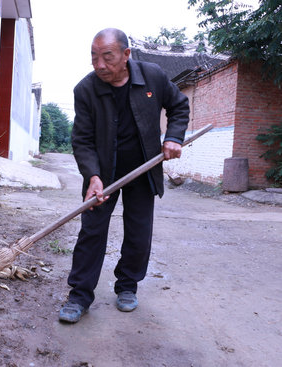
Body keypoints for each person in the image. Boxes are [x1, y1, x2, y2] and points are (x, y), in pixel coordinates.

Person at [59, 28, 190, 323]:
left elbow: (179, 105)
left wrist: (174, 137)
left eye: (107, 57)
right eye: (94, 57)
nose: (99, 65)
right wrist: (92, 176)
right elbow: (82, 139)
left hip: (143, 167)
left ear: (126, 55)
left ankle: (127, 286)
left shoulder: (152, 77)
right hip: (102, 173)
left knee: (138, 232)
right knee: (92, 231)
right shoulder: (86, 90)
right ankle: (80, 294)